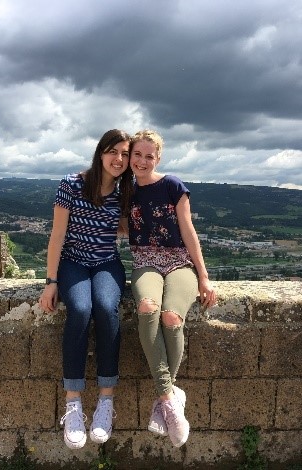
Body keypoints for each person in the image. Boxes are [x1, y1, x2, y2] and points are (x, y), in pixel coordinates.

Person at [39, 129, 133, 449]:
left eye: (124, 153)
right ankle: (74, 402)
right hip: (73, 262)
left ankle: (106, 401)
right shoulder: (72, 184)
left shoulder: (123, 192)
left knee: (107, 308)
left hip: (107, 263)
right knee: (80, 308)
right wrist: (51, 282)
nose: (118, 159)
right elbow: (57, 236)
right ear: (100, 152)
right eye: (112, 151)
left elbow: (129, 231)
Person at [128, 129, 216, 448]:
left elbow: (188, 229)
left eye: (148, 156)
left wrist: (203, 276)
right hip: (146, 262)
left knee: (170, 318)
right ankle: (169, 396)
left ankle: (163, 399)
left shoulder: (173, 185)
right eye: (136, 154)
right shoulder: (126, 190)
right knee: (147, 307)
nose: (142, 161)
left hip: (180, 263)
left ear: (158, 158)